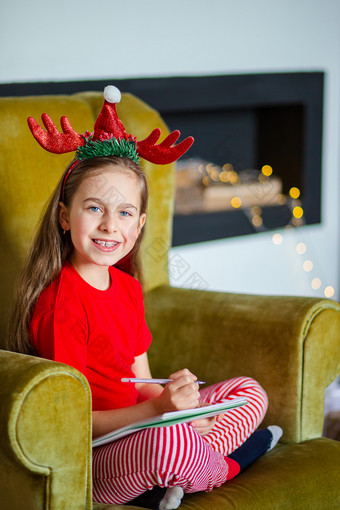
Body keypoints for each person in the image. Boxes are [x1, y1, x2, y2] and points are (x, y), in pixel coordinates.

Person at [7, 86, 282, 510]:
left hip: (145, 428)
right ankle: (229, 464)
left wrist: (177, 403)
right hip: (98, 453)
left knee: (249, 393)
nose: (109, 226)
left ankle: (174, 477)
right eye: (94, 208)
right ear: (65, 216)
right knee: (170, 442)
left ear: (139, 226)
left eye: (124, 213)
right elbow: (73, 425)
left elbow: (144, 381)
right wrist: (163, 416)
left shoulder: (128, 288)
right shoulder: (61, 303)